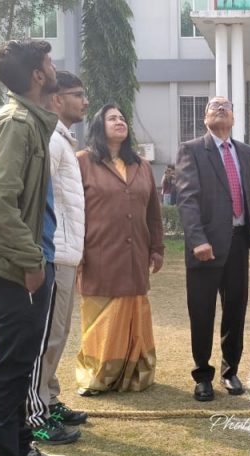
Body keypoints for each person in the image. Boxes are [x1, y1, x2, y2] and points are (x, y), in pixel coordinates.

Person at [0, 39, 74, 456]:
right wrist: (30, 260)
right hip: (18, 265)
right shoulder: (17, 123)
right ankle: (8, 453)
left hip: (30, 260)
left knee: (23, 360)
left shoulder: (31, 121)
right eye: (49, 62)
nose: (55, 67)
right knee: (12, 364)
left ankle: (21, 448)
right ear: (38, 76)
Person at [174, 96, 250, 402]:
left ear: (234, 118)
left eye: (226, 106)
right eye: (214, 106)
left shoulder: (245, 152)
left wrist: (248, 223)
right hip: (206, 245)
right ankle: (202, 375)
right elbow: (187, 199)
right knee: (202, 312)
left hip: (238, 242)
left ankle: (230, 370)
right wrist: (197, 239)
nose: (221, 109)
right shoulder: (192, 150)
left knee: (236, 309)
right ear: (205, 118)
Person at [74, 103, 165, 396]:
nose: (119, 121)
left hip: (136, 255)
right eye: (112, 118)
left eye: (122, 117)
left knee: (135, 315)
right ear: (98, 126)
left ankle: (136, 372)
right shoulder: (83, 162)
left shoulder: (142, 165)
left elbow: (153, 212)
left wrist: (157, 248)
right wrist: (75, 250)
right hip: (98, 254)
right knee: (99, 319)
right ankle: (96, 375)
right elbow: (72, 211)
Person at [28, 71, 90, 438]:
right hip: (53, 253)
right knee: (47, 336)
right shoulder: (51, 140)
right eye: (78, 95)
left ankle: (49, 399)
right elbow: (38, 199)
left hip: (67, 254)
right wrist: (43, 252)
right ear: (57, 99)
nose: (85, 102)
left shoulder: (63, 139)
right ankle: (35, 415)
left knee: (59, 333)